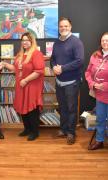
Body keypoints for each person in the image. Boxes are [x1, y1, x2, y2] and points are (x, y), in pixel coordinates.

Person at [2, 32, 45, 141]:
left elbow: (39, 71)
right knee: (22, 107)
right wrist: (6, 64)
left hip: (32, 86)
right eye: (23, 40)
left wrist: (25, 80)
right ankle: (27, 129)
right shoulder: (20, 54)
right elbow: (16, 68)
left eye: (27, 40)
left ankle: (34, 132)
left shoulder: (36, 54)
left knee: (31, 109)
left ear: (31, 41)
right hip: (21, 86)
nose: (24, 42)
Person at [51, 17, 84, 145]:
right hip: (59, 82)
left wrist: (62, 68)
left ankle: (71, 132)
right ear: (58, 28)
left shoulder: (76, 42)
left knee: (71, 108)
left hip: (71, 82)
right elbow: (53, 58)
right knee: (62, 107)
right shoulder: (57, 42)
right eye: (61, 26)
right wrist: (53, 67)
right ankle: (63, 129)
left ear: (70, 27)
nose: (63, 28)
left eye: (66, 26)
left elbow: (79, 61)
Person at [85, 32, 108, 150]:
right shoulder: (95, 55)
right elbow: (88, 72)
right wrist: (92, 84)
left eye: (107, 40)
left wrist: (104, 85)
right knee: (100, 119)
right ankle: (99, 141)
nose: (105, 42)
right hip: (100, 96)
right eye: (103, 40)